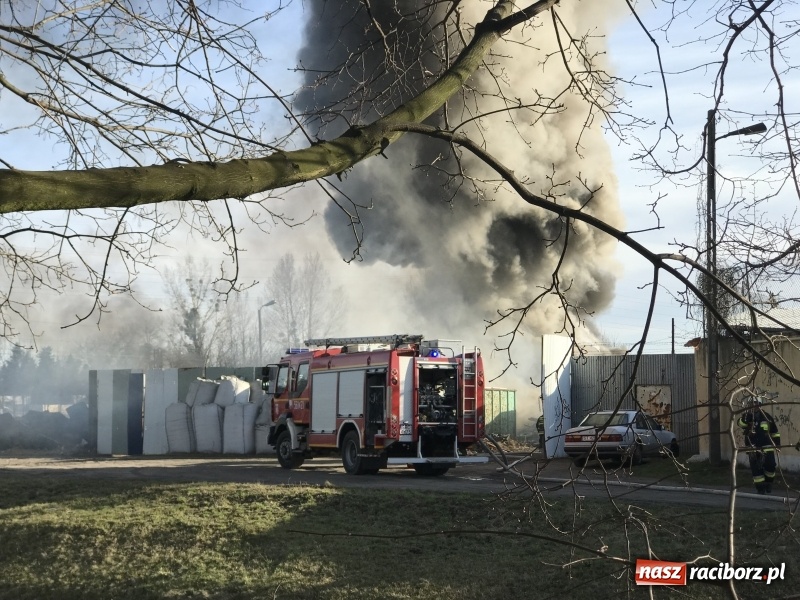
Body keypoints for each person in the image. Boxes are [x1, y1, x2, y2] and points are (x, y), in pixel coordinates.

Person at [737, 395, 781, 494]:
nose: (753, 406)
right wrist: (746, 418)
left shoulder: (767, 417)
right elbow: (740, 424)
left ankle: (769, 483)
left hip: (767, 447)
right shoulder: (746, 416)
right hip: (752, 447)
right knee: (756, 470)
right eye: (751, 404)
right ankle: (760, 489)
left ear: (760, 405)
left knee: (771, 466)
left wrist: (777, 444)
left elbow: (775, 432)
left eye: (756, 403)